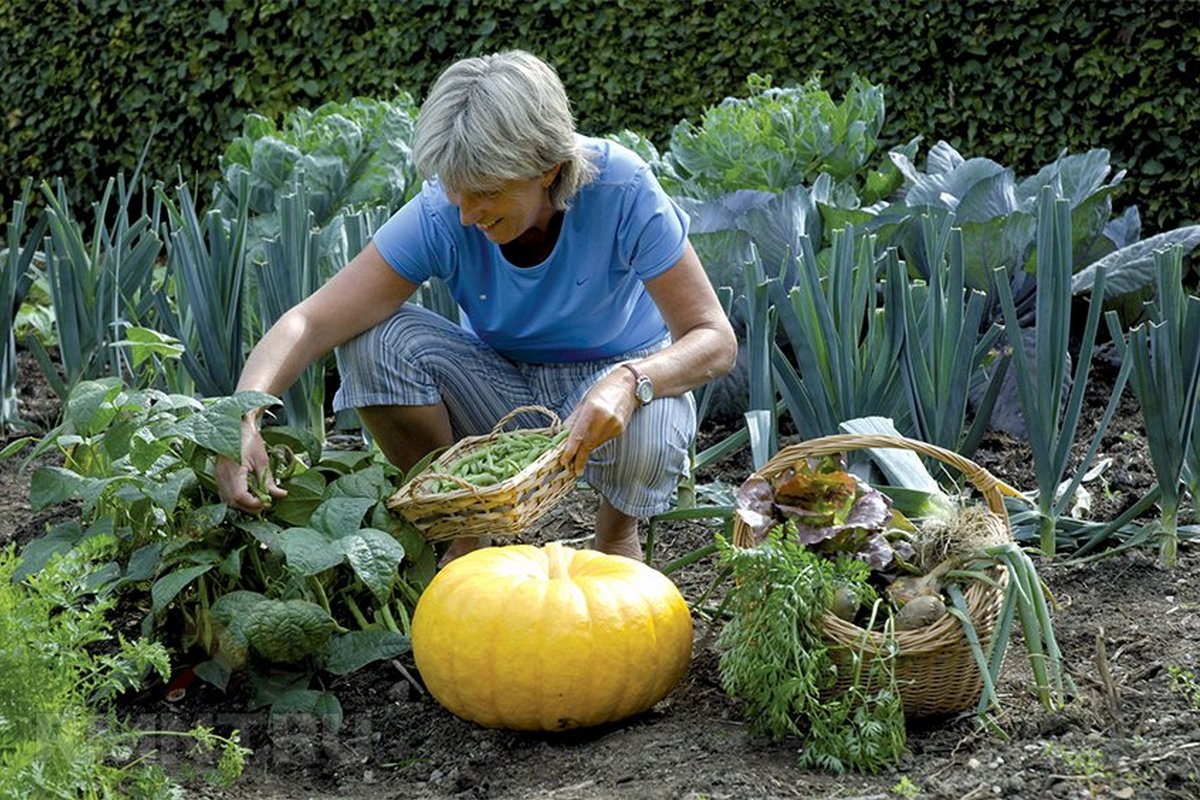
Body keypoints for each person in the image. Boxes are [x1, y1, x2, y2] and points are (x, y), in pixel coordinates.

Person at [215, 50, 737, 564]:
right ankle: (464, 527)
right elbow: (311, 321)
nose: (466, 215)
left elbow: (714, 338)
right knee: (375, 342)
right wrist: (240, 420)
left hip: (612, 384)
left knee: (654, 403)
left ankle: (617, 534)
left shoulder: (622, 188)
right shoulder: (446, 211)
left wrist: (630, 379)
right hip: (499, 388)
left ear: (549, 169)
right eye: (456, 190)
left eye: (485, 192)